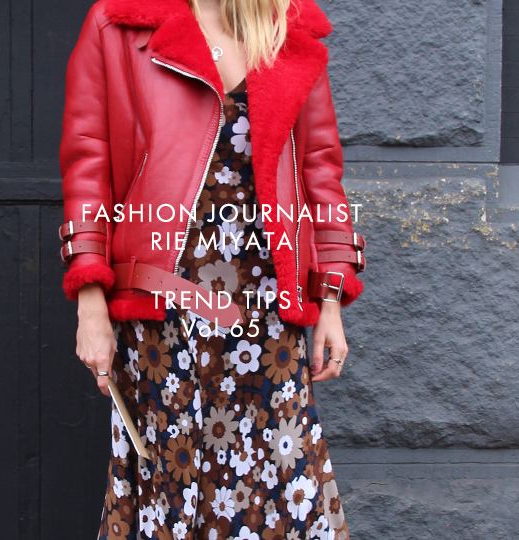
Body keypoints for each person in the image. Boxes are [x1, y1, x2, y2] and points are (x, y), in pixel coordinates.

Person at [57, 0, 368, 538]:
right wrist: (90, 301)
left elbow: (320, 169)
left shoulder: (287, 30)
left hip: (267, 318)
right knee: (172, 486)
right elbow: (89, 163)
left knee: (276, 492)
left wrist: (332, 296)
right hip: (162, 314)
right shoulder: (120, 24)